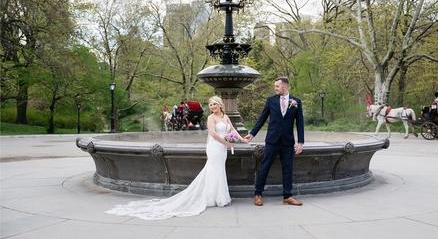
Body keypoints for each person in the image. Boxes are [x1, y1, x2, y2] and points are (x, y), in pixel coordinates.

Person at [105, 96, 247, 220]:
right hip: (215, 147)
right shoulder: (211, 118)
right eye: (210, 105)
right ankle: (211, 198)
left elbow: (232, 130)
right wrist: (227, 142)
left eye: (214, 104)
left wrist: (241, 139)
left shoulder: (225, 117)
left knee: (219, 170)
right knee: (212, 170)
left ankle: (220, 196)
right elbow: (213, 134)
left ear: (220, 104)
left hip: (223, 148)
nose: (212, 107)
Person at [244, 77, 304, 207]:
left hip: (288, 141)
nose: (275, 88)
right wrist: (252, 134)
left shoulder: (296, 102)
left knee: (288, 169)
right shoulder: (270, 100)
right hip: (272, 140)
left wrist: (300, 142)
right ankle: (258, 194)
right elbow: (262, 118)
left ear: (285, 86)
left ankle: (287, 196)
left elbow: (300, 123)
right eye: (275, 86)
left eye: (277, 86)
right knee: (264, 167)